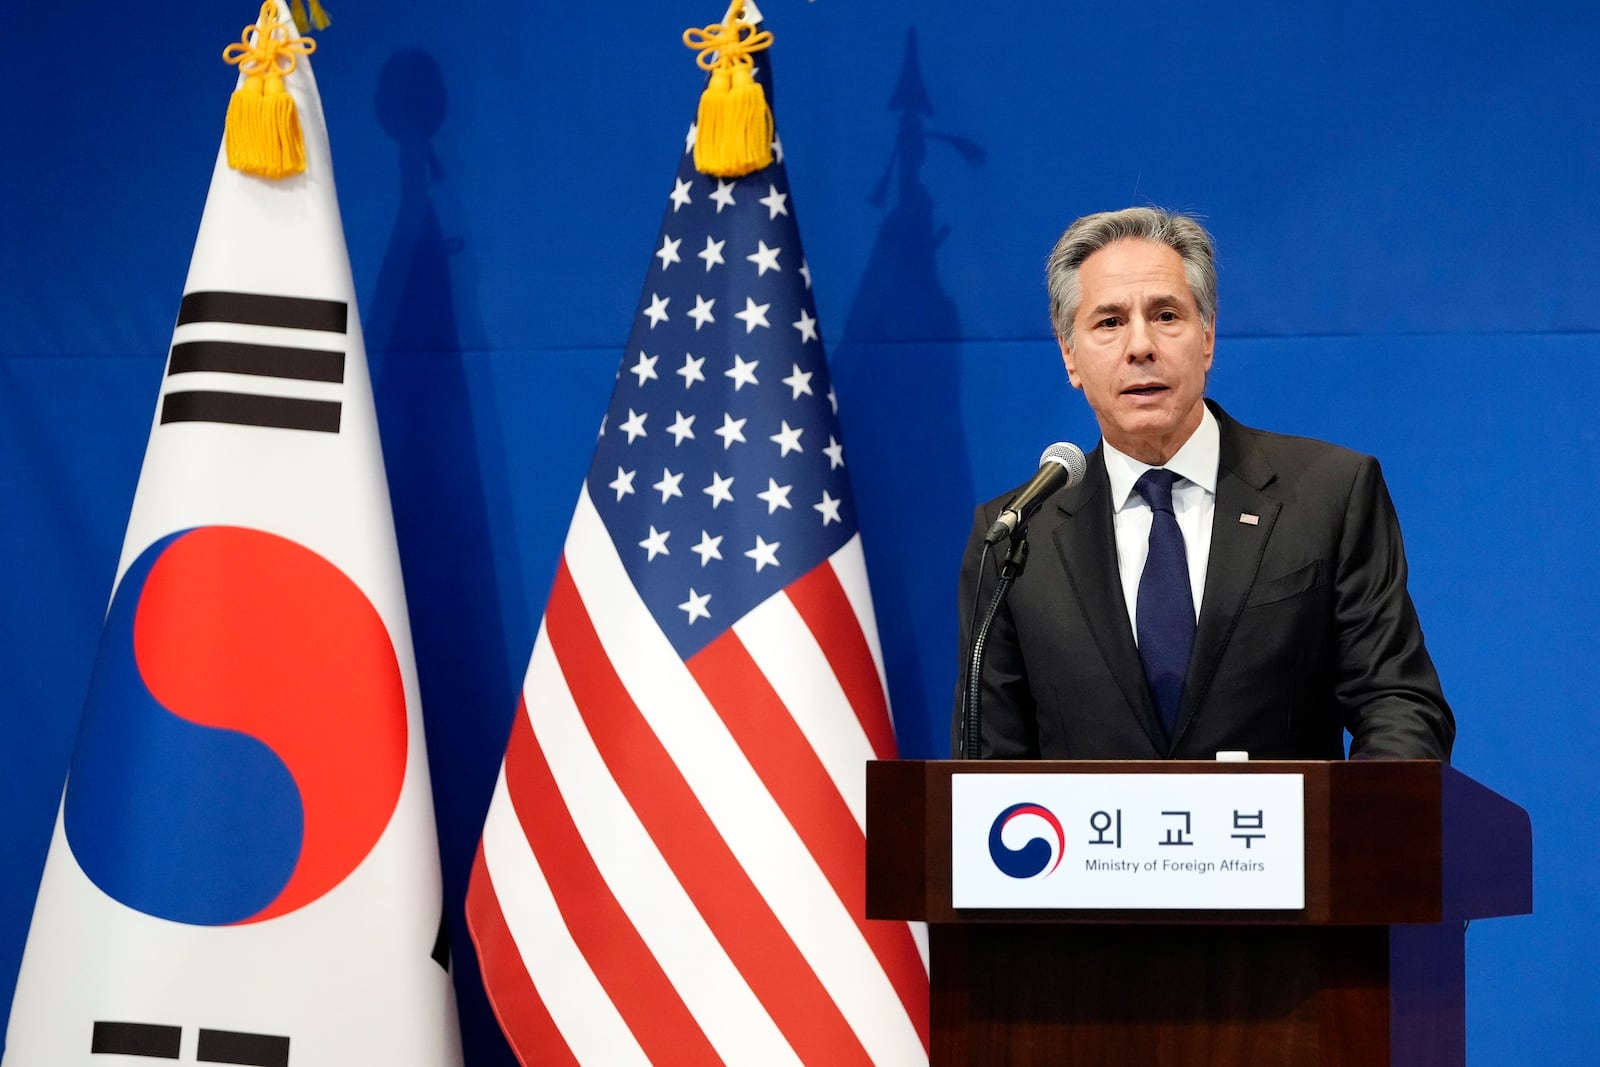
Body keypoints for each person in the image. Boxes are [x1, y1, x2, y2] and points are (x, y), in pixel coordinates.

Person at [953, 207, 1454, 761]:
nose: (1140, 346)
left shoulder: (1329, 493)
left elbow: (1399, 705)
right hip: (1090, 850)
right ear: (1070, 356)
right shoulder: (1015, 535)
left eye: (1166, 315)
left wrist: (1350, 839)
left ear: (1208, 337)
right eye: (1109, 322)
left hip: (1286, 846)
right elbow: (990, 762)